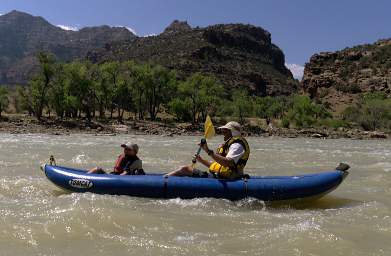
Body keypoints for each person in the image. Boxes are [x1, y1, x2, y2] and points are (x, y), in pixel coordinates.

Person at [167, 121, 250, 179]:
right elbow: (218, 165)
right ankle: (165, 178)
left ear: (233, 133)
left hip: (228, 178)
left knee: (184, 169)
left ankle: (163, 181)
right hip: (221, 176)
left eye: (225, 131)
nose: (222, 133)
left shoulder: (237, 145)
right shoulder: (230, 144)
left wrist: (208, 151)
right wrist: (201, 160)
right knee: (184, 169)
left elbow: (227, 163)